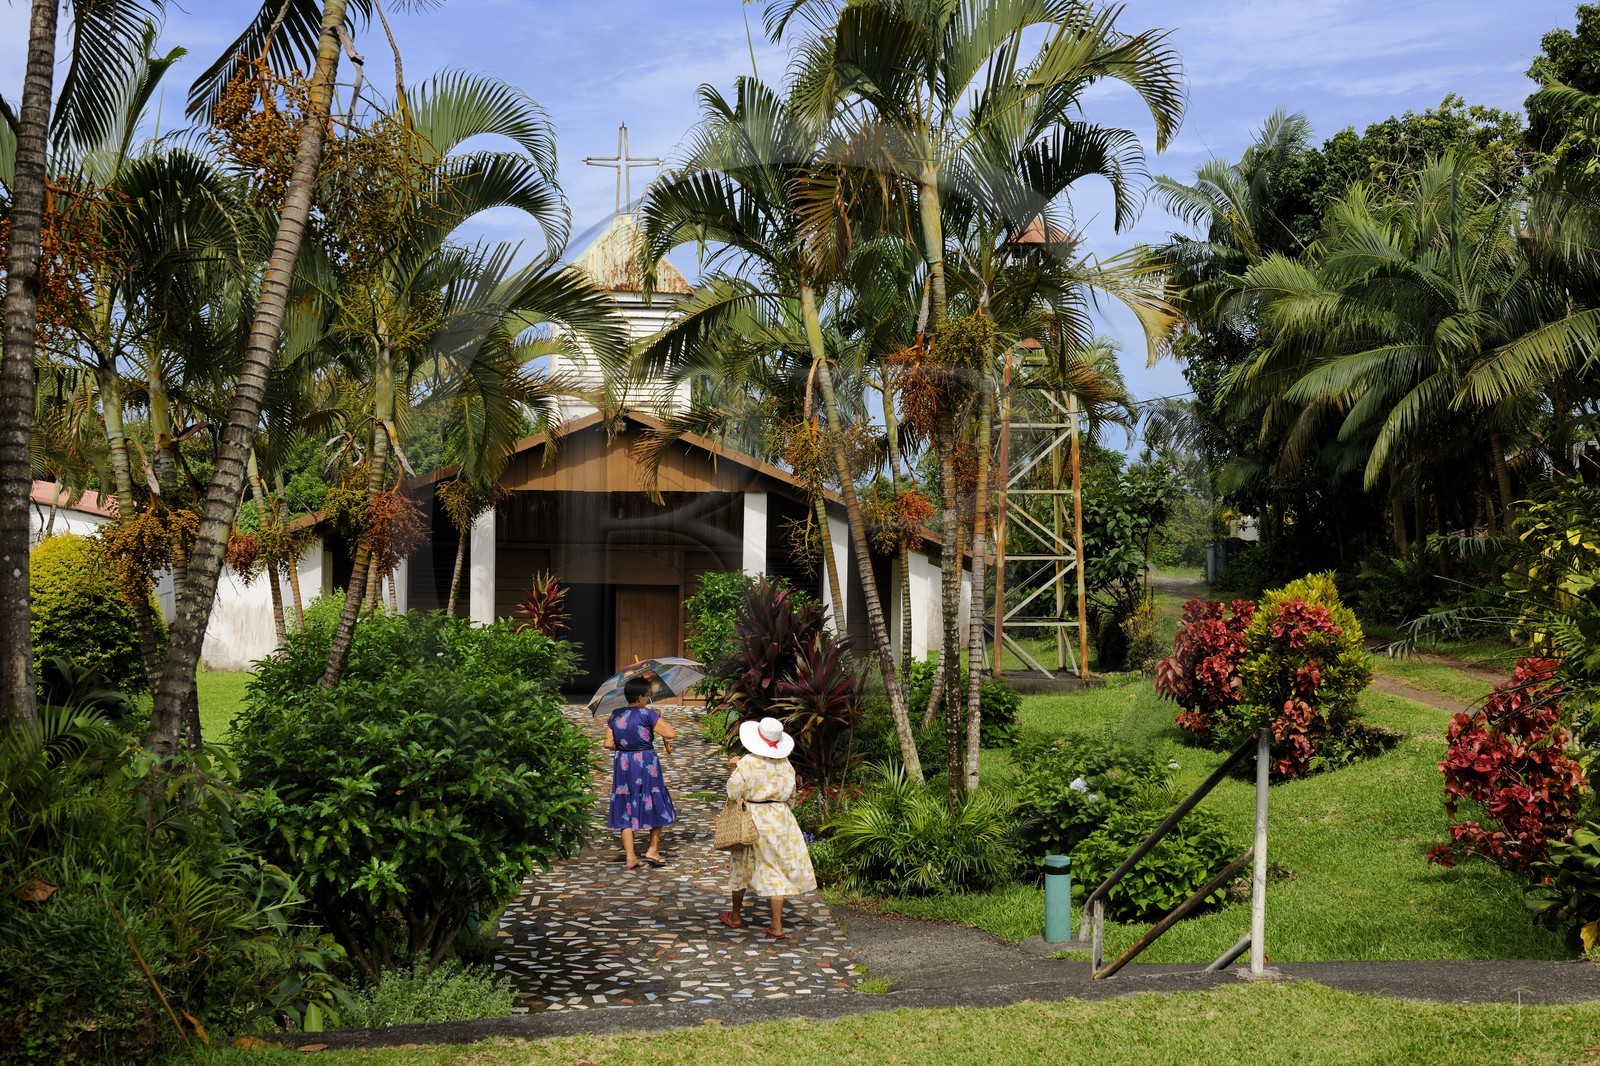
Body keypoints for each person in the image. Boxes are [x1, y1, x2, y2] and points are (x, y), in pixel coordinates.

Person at [718, 716, 817, 939]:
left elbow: (733, 792)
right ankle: (776, 926)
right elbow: (791, 796)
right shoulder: (786, 765)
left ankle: (735, 915)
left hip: (752, 817)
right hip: (780, 818)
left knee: (741, 863)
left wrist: (733, 769)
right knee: (778, 869)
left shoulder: (747, 763)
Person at [603, 675, 677, 870]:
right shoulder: (648, 714)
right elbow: (670, 733)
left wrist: (627, 745)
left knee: (624, 804)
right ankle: (652, 849)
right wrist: (657, 717)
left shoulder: (615, 715)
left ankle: (630, 857)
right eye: (648, 695)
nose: (648, 698)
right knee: (655, 800)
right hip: (646, 763)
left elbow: (608, 744)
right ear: (641, 697)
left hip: (624, 763)